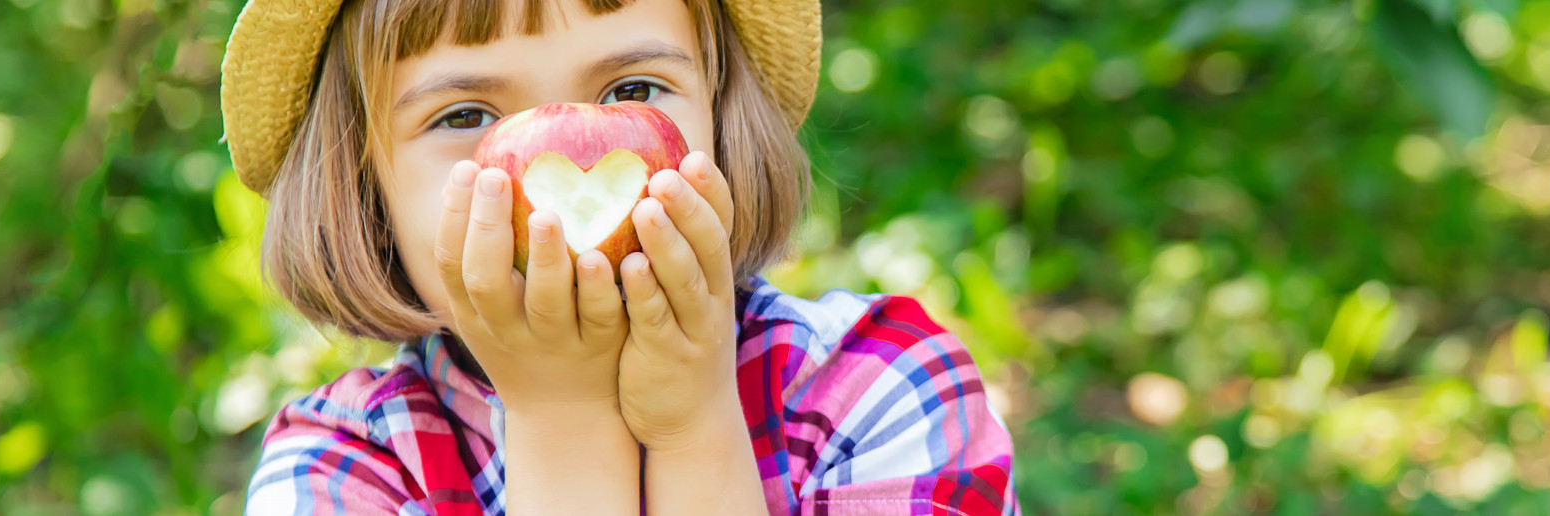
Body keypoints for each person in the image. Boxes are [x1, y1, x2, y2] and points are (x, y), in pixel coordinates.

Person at [218, 0, 1017, 514]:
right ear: (367, 197)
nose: (555, 164)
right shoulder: (347, 473)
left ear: (723, 121)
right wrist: (561, 421)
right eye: (464, 113)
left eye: (632, 92)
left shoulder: (876, 390)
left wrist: (693, 425)